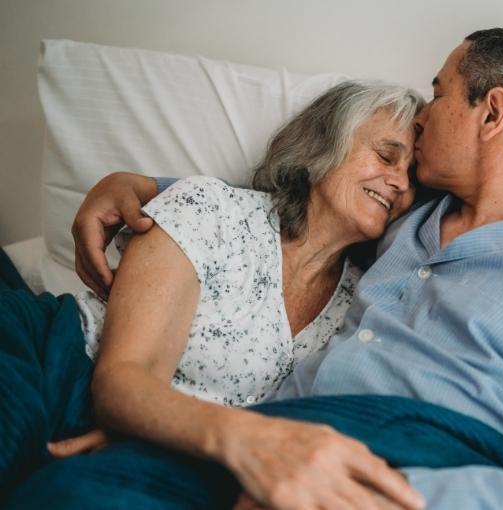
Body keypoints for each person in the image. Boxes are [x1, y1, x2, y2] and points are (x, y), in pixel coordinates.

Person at [29, 27, 503, 509]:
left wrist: (394, 498)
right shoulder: (407, 223)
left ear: (493, 111)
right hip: (267, 440)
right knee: (67, 492)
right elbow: (310, 202)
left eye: (438, 93)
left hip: (419, 460)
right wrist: (139, 184)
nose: (422, 116)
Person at [1, 81, 452, 510]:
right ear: (324, 144)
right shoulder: (212, 210)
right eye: (385, 156)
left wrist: (152, 436)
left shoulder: (363, 303)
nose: (399, 182)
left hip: (163, 446)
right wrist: (149, 427)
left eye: (411, 175)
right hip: (50, 362)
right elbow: (122, 381)